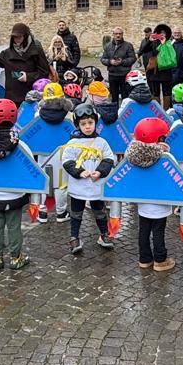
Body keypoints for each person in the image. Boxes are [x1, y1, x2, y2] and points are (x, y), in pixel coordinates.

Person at [61, 101, 117, 256]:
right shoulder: (73, 143)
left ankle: (104, 234)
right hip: (78, 186)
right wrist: (79, 172)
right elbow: (67, 160)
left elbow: (108, 158)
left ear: (95, 123)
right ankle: (74, 237)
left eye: (90, 123)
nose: (87, 127)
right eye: (83, 124)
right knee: (76, 213)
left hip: (96, 185)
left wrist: (100, 171)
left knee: (100, 212)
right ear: (78, 125)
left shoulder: (101, 142)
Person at [0, 99, 30, 269]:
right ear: (15, 119)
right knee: (14, 227)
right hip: (15, 195)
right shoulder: (21, 145)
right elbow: (31, 169)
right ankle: (16, 258)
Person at [126, 116, 176, 271]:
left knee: (144, 231)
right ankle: (160, 260)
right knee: (158, 231)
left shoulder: (132, 159)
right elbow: (175, 178)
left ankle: (145, 259)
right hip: (161, 204)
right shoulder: (166, 158)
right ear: (160, 139)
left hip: (143, 204)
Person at [0, 25, 53, 104]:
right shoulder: (8, 52)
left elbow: (44, 72)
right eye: (14, 37)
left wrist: (28, 77)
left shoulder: (36, 51)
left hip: (32, 96)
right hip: (12, 97)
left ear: (26, 36)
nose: (16, 39)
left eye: (19, 37)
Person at [139, 24, 180, 109]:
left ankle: (166, 111)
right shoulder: (154, 42)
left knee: (167, 92)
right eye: (160, 33)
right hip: (155, 71)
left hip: (166, 71)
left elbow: (171, 56)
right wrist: (150, 41)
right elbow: (142, 51)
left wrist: (164, 44)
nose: (162, 35)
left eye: (164, 33)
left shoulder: (169, 43)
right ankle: (157, 111)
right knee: (155, 92)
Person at [101, 27, 136, 104]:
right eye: (116, 34)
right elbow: (103, 59)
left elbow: (133, 58)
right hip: (112, 75)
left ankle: (125, 110)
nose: (118, 35)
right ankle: (114, 110)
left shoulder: (128, 45)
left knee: (125, 97)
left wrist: (122, 62)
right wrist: (110, 62)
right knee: (114, 98)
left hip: (124, 75)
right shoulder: (108, 46)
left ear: (122, 34)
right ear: (113, 34)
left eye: (120, 34)